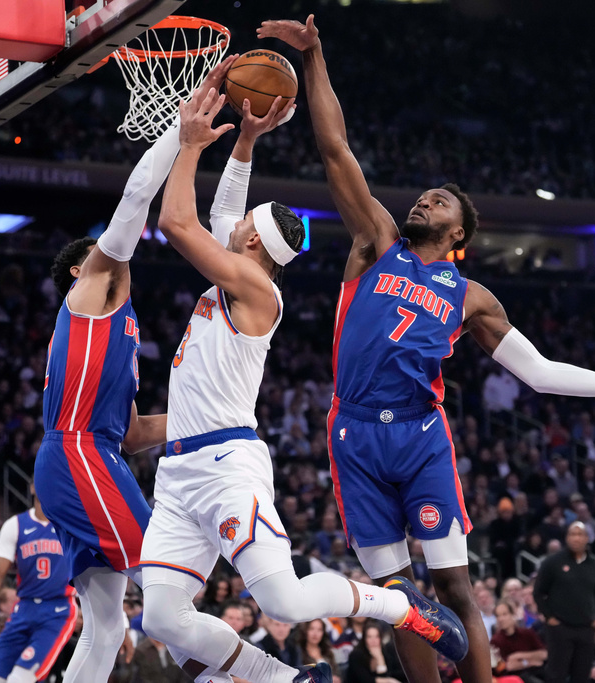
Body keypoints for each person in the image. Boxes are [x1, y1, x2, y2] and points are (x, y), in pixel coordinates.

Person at [257, 15, 595, 683]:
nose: (426, 196)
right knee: (397, 600)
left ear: (458, 230)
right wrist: (315, 55)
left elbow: (542, 374)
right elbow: (333, 148)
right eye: (426, 193)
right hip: (353, 434)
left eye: (441, 200)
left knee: (454, 584)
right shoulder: (378, 240)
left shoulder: (472, 297)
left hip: (420, 435)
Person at [138, 83, 467, 683]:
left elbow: (177, 220)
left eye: (240, 229)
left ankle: (401, 605)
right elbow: (221, 214)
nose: (230, 227)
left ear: (254, 241)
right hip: (179, 471)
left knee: (284, 602)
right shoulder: (237, 269)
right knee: (159, 616)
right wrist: (245, 139)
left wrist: (188, 146)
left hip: (226, 467)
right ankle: (286, 680)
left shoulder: (256, 290)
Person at [32, 61, 239, 683]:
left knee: (109, 624)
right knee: (161, 574)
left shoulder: (117, 321)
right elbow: (133, 200)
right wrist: (181, 134)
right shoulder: (94, 288)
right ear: (80, 270)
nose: (118, 261)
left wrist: (205, 422)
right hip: (78, 457)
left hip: (94, 451)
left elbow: (127, 431)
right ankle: (242, 675)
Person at [0, 485, 76, 683]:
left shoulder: (71, 522)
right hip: (24, 607)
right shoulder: (15, 524)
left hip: (57, 609)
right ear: (33, 487)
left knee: (20, 679)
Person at [532, 523, 595, 683]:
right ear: (566, 538)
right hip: (560, 628)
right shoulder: (552, 562)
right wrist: (549, 617)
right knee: (556, 675)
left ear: (586, 538)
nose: (576, 538)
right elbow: (538, 592)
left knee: (582, 676)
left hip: (586, 628)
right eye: (572, 534)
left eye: (579, 534)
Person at [489, 601, 546, 683]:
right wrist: (530, 662)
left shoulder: (527, 633)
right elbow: (507, 667)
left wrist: (518, 656)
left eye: (504, 614)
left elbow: (543, 654)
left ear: (513, 615)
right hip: (514, 677)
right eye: (498, 616)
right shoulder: (495, 641)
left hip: (536, 672)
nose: (501, 619)